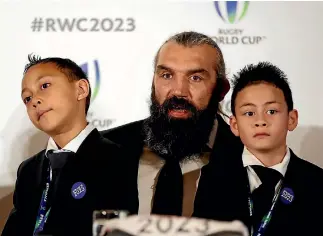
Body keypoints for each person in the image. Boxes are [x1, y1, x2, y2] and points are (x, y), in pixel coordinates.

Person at [101, 31, 239, 218]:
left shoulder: (247, 155)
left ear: (221, 89)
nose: (178, 91)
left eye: (195, 78)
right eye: (166, 75)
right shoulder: (105, 148)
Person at [2, 55, 131, 236]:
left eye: (45, 86)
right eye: (27, 98)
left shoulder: (118, 158)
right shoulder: (28, 170)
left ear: (81, 89)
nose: (34, 101)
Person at [209, 62, 323, 235]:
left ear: (291, 119)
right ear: (234, 125)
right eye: (249, 113)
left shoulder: (317, 182)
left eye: (271, 111)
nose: (260, 121)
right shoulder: (211, 177)